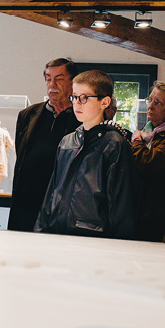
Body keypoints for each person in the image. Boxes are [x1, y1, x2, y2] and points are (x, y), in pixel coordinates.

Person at [35, 70, 137, 238]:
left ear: (104, 102)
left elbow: (122, 206)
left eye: (84, 98)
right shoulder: (68, 142)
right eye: (74, 97)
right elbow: (51, 193)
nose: (77, 104)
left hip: (93, 237)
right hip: (56, 233)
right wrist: (39, 231)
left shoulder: (114, 144)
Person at [8, 58, 80, 232]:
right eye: (48, 78)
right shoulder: (28, 115)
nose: (52, 84)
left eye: (59, 79)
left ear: (72, 83)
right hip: (25, 204)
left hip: (60, 207)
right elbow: (22, 157)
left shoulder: (80, 119)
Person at [131, 80, 165, 241]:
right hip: (140, 210)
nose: (150, 106)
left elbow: (148, 162)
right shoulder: (150, 131)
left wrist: (136, 140)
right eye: (150, 100)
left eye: (158, 103)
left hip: (157, 214)